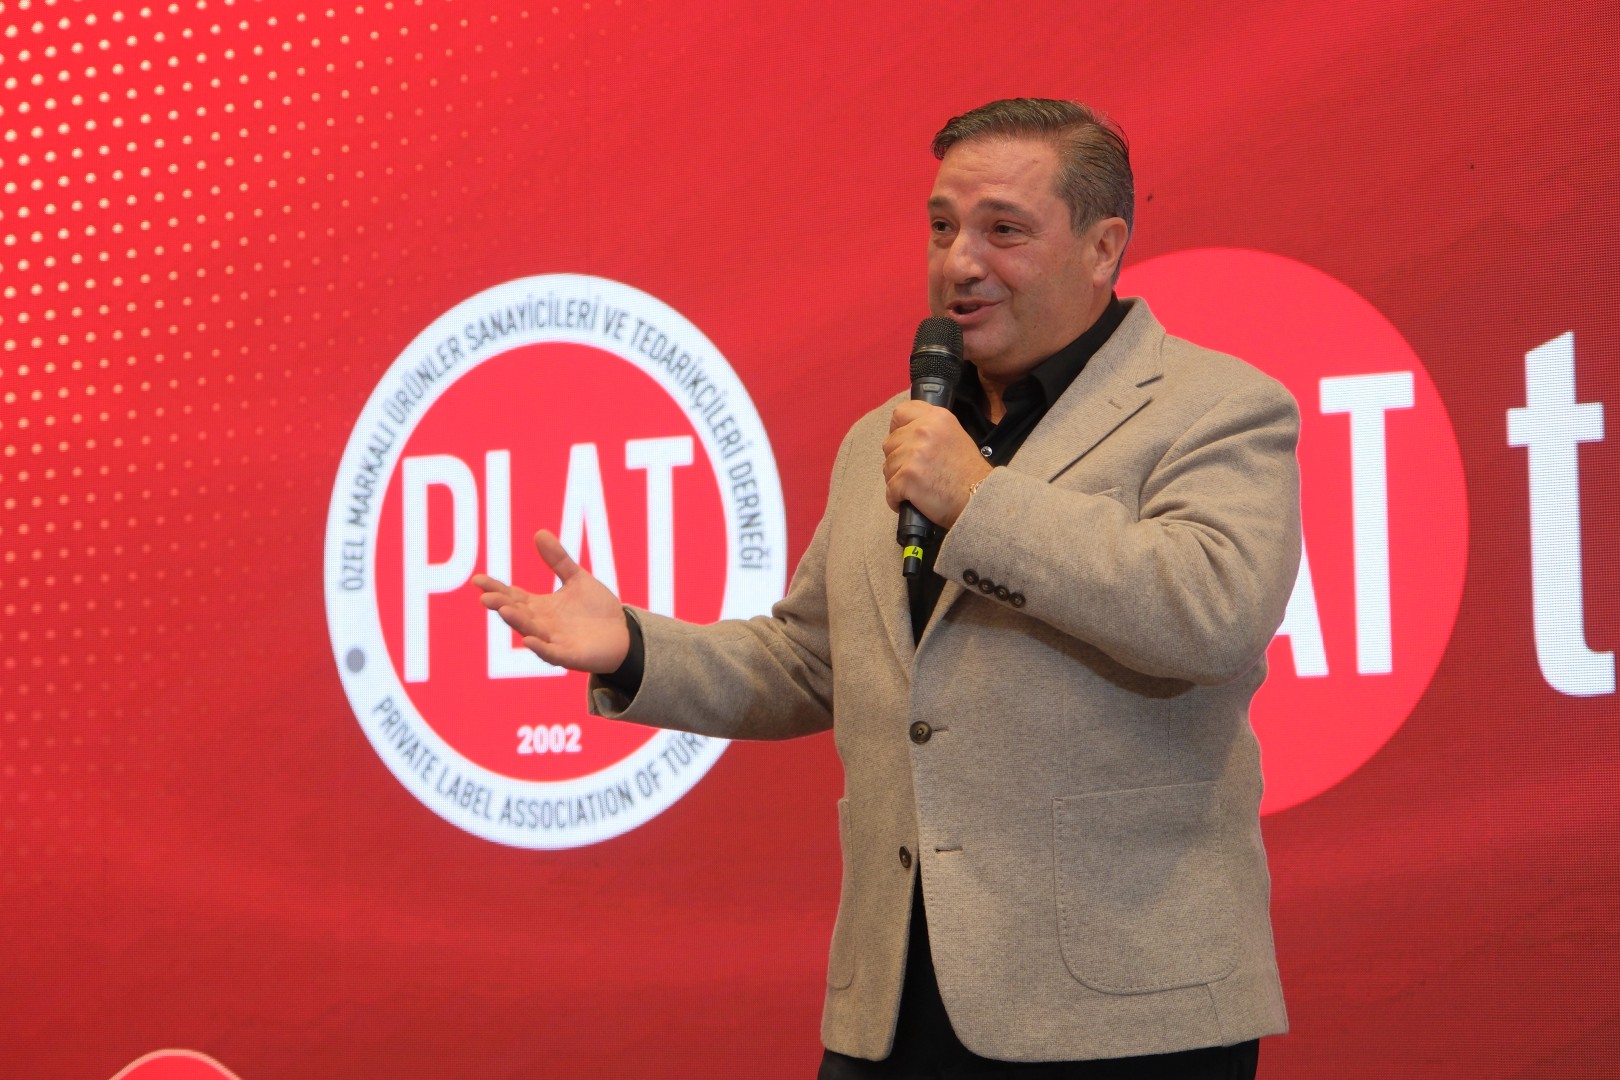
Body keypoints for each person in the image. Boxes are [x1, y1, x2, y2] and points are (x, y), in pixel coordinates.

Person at [475, 99, 1301, 1079]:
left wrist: (977, 500)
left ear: (1103, 246)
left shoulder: (1216, 406)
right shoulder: (890, 433)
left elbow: (1213, 611)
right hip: (894, 1005)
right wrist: (633, 646)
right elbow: (810, 660)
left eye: (1004, 230)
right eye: (943, 227)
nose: (961, 262)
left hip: (1124, 1013)